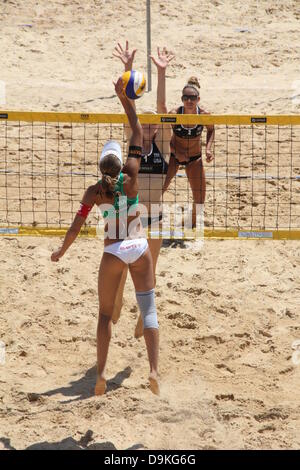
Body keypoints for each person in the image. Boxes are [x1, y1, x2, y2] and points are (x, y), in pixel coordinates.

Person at [51, 77, 160, 396]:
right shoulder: (132, 176)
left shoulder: (94, 191)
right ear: (120, 162)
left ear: (100, 167)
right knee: (149, 310)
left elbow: (75, 228)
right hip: (138, 247)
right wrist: (126, 101)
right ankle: (153, 370)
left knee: (104, 315)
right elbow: (138, 132)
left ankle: (100, 374)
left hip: (113, 252)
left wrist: (61, 251)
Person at [112, 41, 174, 338]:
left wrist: (161, 74)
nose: (147, 126)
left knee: (149, 274)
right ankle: (118, 302)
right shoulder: (135, 140)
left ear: (158, 128)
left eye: (152, 124)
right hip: (131, 216)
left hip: (156, 217)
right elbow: (130, 106)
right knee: (123, 268)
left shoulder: (162, 144)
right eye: (144, 123)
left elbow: (162, 108)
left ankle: (143, 314)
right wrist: (127, 70)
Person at [163, 77, 215, 227]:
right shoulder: (174, 114)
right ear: (182, 99)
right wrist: (176, 153)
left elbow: (211, 129)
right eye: (186, 98)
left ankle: (189, 224)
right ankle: (150, 220)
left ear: (198, 99)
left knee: (199, 199)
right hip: (174, 156)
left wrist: (208, 148)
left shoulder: (204, 115)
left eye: (192, 98)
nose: (189, 101)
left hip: (194, 158)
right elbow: (164, 137)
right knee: (158, 189)